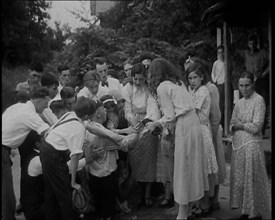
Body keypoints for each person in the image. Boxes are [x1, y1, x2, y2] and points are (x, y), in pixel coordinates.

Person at [146, 58, 208, 219]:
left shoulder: (162, 87)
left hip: (185, 126)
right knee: (190, 167)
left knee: (182, 169)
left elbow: (170, 116)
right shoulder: (178, 83)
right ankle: (186, 210)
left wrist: (154, 124)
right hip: (194, 124)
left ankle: (182, 214)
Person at [39, 96, 93, 220]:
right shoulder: (79, 128)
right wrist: (73, 182)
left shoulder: (71, 114)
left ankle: (51, 216)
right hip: (52, 154)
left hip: (46, 147)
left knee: (51, 190)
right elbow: (75, 158)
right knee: (65, 194)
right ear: (87, 116)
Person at [2, 87, 50, 220]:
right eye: (45, 104)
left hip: (5, 148)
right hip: (2, 149)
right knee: (7, 194)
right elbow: (47, 132)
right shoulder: (30, 114)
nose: (45, 108)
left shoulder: (18, 107)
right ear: (39, 101)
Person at [84, 100, 138, 220]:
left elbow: (110, 132)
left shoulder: (89, 126)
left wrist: (125, 131)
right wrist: (137, 130)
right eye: (103, 109)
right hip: (106, 176)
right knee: (108, 211)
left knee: (101, 209)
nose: (106, 111)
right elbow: (128, 145)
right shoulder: (102, 137)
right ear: (98, 114)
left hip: (95, 175)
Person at [229, 71, 271, 220]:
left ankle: (255, 212)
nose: (243, 89)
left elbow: (257, 126)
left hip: (252, 145)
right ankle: (245, 211)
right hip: (239, 146)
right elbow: (231, 124)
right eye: (241, 85)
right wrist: (239, 126)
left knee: (251, 178)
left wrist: (240, 125)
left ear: (253, 84)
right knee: (240, 179)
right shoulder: (239, 103)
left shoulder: (258, 100)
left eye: (247, 85)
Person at [122, 63, 161, 207]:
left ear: (145, 78)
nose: (138, 82)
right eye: (135, 79)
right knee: (135, 160)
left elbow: (153, 106)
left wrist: (148, 121)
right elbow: (127, 110)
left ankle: (148, 194)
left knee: (149, 160)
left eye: (140, 79)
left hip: (148, 124)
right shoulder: (127, 89)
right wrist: (133, 121)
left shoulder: (148, 89)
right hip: (134, 124)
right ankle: (137, 193)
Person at [235, 34, 269, 136]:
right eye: (250, 43)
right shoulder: (246, 53)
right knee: (248, 103)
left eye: (254, 43)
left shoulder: (263, 53)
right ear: (248, 44)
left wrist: (264, 73)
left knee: (261, 103)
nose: (252, 45)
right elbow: (234, 51)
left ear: (256, 43)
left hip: (260, 81)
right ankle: (249, 127)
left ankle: (261, 130)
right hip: (248, 81)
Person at [211, 45, 226, 129]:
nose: (221, 54)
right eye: (219, 53)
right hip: (219, 85)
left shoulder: (227, 62)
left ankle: (225, 124)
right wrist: (214, 80)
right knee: (219, 105)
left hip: (226, 85)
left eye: (222, 52)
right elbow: (213, 73)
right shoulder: (216, 63)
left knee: (225, 106)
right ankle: (219, 124)